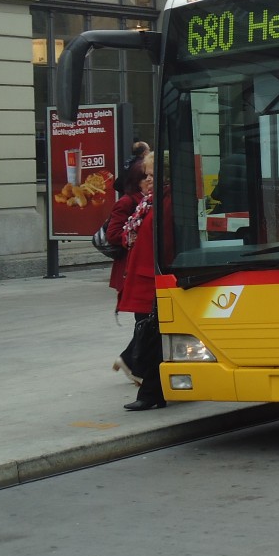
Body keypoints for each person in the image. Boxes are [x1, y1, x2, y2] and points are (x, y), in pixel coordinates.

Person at [118, 152, 166, 411]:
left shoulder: (164, 203)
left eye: (150, 175)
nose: (146, 181)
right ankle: (152, 391)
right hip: (144, 280)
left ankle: (150, 393)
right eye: (145, 176)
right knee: (150, 337)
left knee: (151, 338)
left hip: (154, 283)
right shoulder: (148, 203)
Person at [107, 157, 147, 385]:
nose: (151, 180)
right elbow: (113, 234)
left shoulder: (147, 200)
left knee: (146, 320)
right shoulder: (127, 201)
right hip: (129, 269)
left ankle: (131, 362)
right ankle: (131, 362)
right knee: (146, 320)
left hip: (139, 266)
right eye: (146, 177)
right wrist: (133, 236)